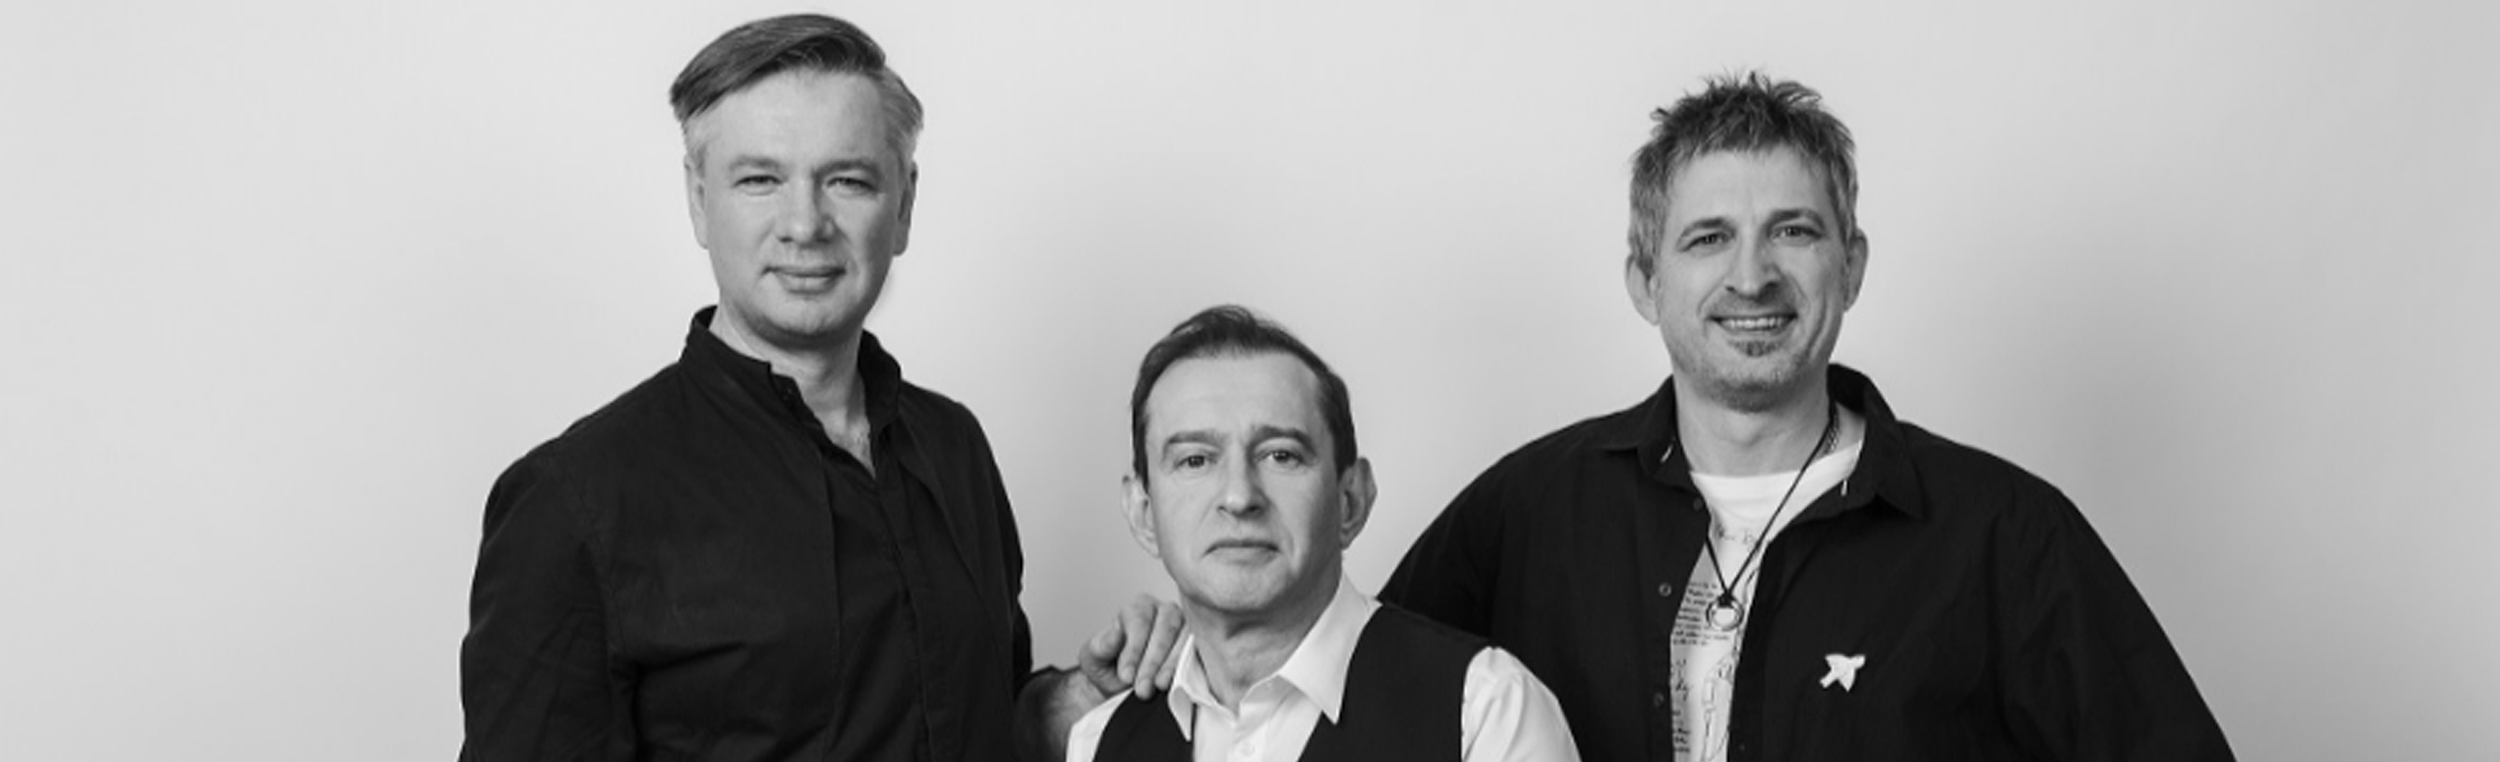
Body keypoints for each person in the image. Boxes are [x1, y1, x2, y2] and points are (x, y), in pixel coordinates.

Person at [1378, 73, 2237, 761]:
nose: (1752, 277)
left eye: (1793, 231)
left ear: (1851, 267)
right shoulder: (1524, 515)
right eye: (1708, 238)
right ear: (1645, 282)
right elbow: (1354, 717)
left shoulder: (2005, 536)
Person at [458, 14, 1172, 761]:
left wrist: (1068, 706)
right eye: (760, 180)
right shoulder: (574, 501)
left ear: (904, 205)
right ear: (699, 199)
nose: (805, 224)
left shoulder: (953, 446)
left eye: (847, 181)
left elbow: (980, 719)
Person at [1066, 306, 1580, 761]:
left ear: (1350, 499)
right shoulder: (1096, 741)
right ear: (1143, 512)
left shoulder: (1486, 713)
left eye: (1281, 455)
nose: (1239, 497)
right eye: (1195, 460)